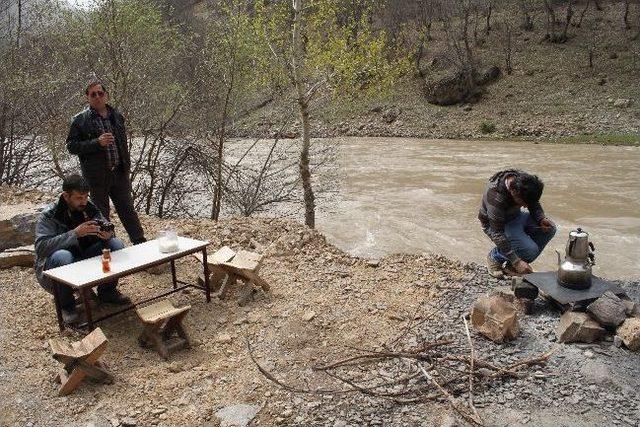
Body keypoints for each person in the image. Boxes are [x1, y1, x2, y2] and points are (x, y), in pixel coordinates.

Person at [35, 174, 131, 323]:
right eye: (79, 198)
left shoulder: (89, 207)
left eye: (86, 197)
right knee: (63, 256)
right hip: (59, 262)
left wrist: (107, 235)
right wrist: (74, 234)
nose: (84, 201)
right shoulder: (49, 215)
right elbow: (41, 248)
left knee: (116, 245)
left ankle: (107, 292)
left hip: (84, 254)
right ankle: (66, 305)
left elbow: (108, 228)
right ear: (66, 196)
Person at [66, 80, 146, 245]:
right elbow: (71, 146)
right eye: (92, 94)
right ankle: (109, 245)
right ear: (87, 98)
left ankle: (140, 242)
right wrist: (97, 143)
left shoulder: (116, 116)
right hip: (96, 176)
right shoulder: (80, 120)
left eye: (100, 93)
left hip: (119, 171)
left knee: (127, 209)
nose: (97, 97)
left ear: (106, 95)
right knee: (101, 213)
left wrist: (126, 167)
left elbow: (122, 144)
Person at [478, 169, 557, 278]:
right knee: (530, 250)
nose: (525, 206)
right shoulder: (496, 196)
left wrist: (540, 219)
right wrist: (517, 261)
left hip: (515, 216)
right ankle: (495, 257)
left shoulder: (522, 181)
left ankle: (511, 266)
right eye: (523, 203)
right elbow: (496, 233)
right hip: (495, 225)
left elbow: (533, 202)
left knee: (550, 229)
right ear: (513, 191)